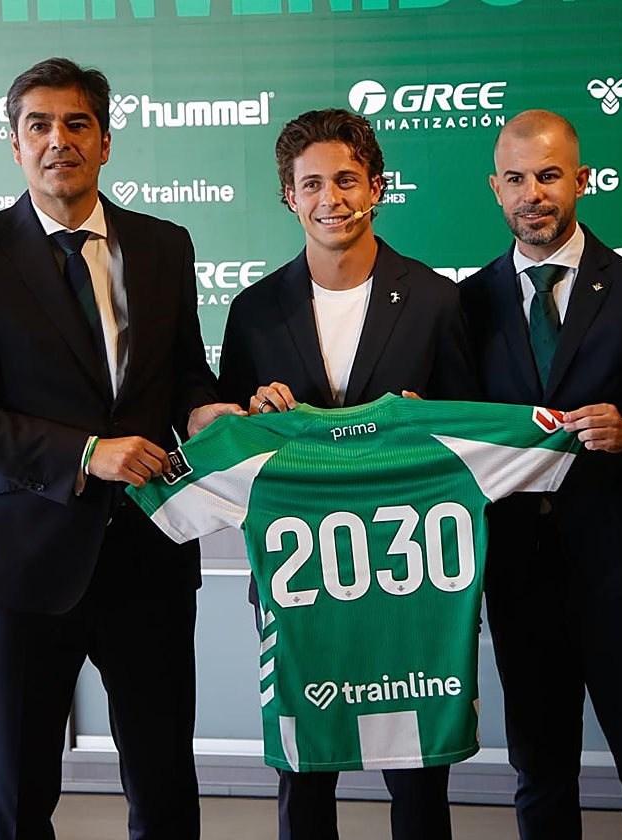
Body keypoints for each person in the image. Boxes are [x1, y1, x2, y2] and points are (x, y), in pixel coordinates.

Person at [0, 57, 240, 840]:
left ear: (104, 142)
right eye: (39, 125)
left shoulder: (164, 246)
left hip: (148, 560)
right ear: (15, 144)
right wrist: (86, 450)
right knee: (21, 794)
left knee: (165, 787)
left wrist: (207, 413)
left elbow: (184, 377)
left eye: (76, 124)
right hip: (24, 565)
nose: (58, 140)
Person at [217, 107, 478, 840]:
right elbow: (232, 449)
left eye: (346, 179)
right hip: (300, 578)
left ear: (377, 188)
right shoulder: (254, 312)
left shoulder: (434, 300)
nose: (330, 198)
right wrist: (252, 414)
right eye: (312, 184)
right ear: (289, 199)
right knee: (304, 777)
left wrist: (432, 423)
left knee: (420, 781)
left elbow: (468, 446)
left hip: (411, 576)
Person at [459, 109, 622, 840]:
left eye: (547, 175)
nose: (531, 193)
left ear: (582, 180)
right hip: (515, 573)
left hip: (620, 571)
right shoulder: (466, 305)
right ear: (494, 187)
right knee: (539, 768)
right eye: (514, 178)